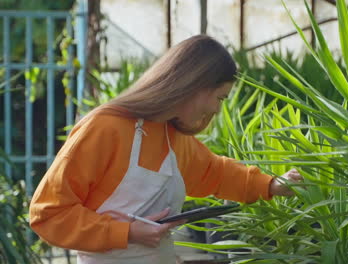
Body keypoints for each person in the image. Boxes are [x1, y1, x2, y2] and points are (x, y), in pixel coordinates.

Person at [29, 35, 303, 264]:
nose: (217, 109)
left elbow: (215, 172)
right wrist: (127, 232)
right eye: (219, 97)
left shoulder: (171, 135)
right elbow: (49, 213)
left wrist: (271, 185)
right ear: (195, 85)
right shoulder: (105, 128)